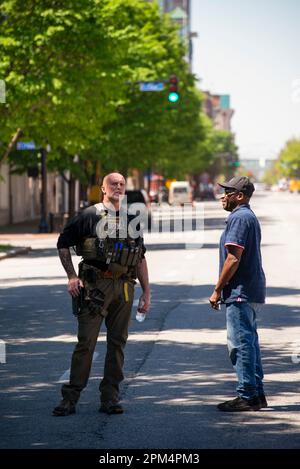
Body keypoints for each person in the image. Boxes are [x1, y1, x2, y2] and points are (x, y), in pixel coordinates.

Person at [53, 172, 151, 416]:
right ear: (103, 189)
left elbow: (140, 256)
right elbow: (63, 243)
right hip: (94, 287)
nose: (118, 187)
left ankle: (110, 398)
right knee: (86, 342)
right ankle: (70, 398)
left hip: (125, 287)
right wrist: (71, 276)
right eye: (113, 184)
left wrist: (147, 292)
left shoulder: (131, 218)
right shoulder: (89, 215)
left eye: (121, 184)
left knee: (117, 344)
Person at [209, 176, 267, 412]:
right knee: (249, 342)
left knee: (240, 344)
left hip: (240, 291)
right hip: (249, 289)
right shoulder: (246, 216)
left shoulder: (240, 218)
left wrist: (217, 289)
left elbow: (233, 258)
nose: (223, 196)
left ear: (240, 196)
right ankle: (256, 393)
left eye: (228, 192)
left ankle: (247, 395)